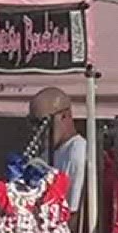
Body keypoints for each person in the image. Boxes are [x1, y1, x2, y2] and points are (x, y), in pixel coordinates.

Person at [26, 86, 86, 217]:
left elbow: (73, 211)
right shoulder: (45, 156)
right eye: (32, 122)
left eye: (42, 122)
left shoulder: (77, 151)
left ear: (65, 116)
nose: (37, 129)